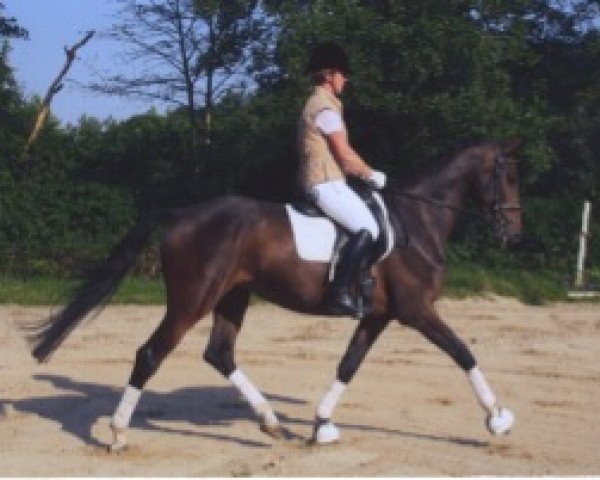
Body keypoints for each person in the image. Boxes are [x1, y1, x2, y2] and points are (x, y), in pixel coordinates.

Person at [297, 41, 387, 316]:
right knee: (368, 229)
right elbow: (345, 154)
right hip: (324, 182)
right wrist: (372, 174)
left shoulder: (326, 105)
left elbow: (346, 156)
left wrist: (365, 172)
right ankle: (338, 293)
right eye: (341, 74)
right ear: (328, 75)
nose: (345, 79)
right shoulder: (324, 109)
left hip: (331, 180)